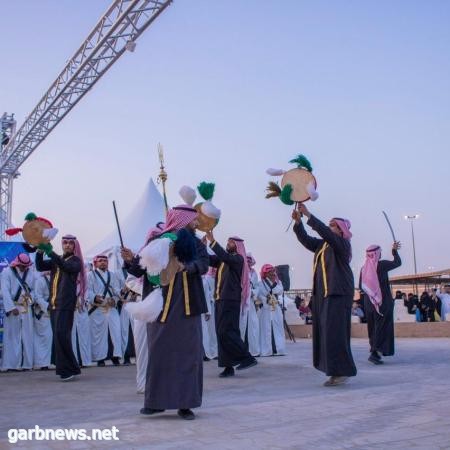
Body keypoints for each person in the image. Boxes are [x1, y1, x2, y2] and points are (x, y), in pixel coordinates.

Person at [121, 205, 208, 420]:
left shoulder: (196, 243)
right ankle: (155, 403)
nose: (196, 224)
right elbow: (138, 269)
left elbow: (204, 265)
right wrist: (130, 259)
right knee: (160, 353)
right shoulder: (157, 241)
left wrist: (187, 267)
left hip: (188, 307)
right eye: (193, 220)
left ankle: (185, 404)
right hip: (160, 307)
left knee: (188, 355)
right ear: (182, 220)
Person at [292, 204, 356, 386]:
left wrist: (309, 215)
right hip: (324, 294)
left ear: (342, 229)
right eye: (329, 225)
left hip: (338, 293)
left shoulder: (342, 244)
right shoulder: (323, 245)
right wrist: (298, 223)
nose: (330, 228)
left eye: (333, 225)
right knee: (327, 333)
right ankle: (334, 370)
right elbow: (306, 240)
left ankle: (343, 370)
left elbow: (326, 234)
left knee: (336, 333)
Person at [205, 232, 257, 378]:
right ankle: (228, 366)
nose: (228, 244)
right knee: (221, 333)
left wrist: (213, 241)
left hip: (230, 300)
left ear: (238, 246)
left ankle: (247, 357)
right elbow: (209, 259)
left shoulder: (238, 259)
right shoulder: (223, 260)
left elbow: (225, 256)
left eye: (231, 242)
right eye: (227, 242)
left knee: (227, 332)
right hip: (220, 299)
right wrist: (201, 246)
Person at [35, 235, 84, 381]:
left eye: (70, 243)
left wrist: (50, 251)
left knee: (62, 335)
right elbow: (39, 266)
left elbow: (66, 266)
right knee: (59, 336)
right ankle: (72, 368)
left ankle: (66, 370)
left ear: (74, 246)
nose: (67, 245)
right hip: (54, 304)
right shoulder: (57, 260)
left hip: (66, 304)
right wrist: (40, 251)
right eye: (65, 243)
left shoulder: (76, 261)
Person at [360, 242, 401, 365]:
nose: (381, 253)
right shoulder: (382, 265)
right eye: (380, 252)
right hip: (382, 303)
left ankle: (374, 350)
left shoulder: (363, 269)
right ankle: (375, 353)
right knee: (382, 328)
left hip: (369, 304)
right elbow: (397, 263)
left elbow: (361, 287)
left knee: (373, 328)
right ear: (377, 253)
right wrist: (394, 251)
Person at [87, 255, 123, 367]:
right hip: (97, 308)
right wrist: (94, 297)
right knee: (98, 334)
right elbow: (87, 291)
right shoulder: (90, 275)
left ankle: (115, 356)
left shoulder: (112, 275)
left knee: (116, 331)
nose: (103, 263)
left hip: (111, 308)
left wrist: (115, 299)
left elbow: (117, 290)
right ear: (95, 263)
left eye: (105, 261)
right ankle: (100, 358)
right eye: (100, 261)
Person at [1, 253, 35, 371]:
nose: (24, 268)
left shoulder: (30, 273)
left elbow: (35, 290)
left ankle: (27, 364)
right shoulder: (7, 273)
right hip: (13, 308)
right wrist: (11, 307)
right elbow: (4, 291)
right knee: (12, 336)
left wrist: (31, 298)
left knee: (28, 335)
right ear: (17, 263)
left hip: (26, 307)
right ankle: (11, 365)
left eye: (26, 266)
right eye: (22, 266)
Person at [257, 264, 285, 356]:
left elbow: (280, 291)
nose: (272, 273)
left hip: (275, 307)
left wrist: (273, 285)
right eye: (269, 272)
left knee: (278, 327)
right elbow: (261, 294)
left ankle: (279, 349)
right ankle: (267, 350)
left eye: (273, 271)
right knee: (266, 328)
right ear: (265, 273)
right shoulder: (260, 283)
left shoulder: (278, 282)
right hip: (266, 308)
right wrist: (267, 298)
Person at [239, 253, 261, 357]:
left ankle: (254, 350)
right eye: (246, 261)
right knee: (241, 325)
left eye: (249, 261)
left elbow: (257, 287)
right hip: (241, 302)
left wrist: (252, 292)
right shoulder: (240, 271)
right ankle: (240, 351)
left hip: (251, 302)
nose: (248, 263)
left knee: (254, 325)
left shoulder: (254, 273)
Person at [33, 271, 53, 369]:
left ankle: (54, 361)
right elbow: (37, 296)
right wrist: (47, 306)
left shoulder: (59, 280)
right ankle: (43, 364)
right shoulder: (40, 281)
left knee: (54, 338)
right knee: (44, 338)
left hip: (55, 313)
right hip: (43, 313)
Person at [201, 267, 218, 360]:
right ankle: (205, 353)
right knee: (204, 332)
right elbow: (207, 296)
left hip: (211, 307)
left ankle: (213, 352)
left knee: (212, 331)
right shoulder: (206, 279)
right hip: (203, 309)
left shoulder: (209, 279)